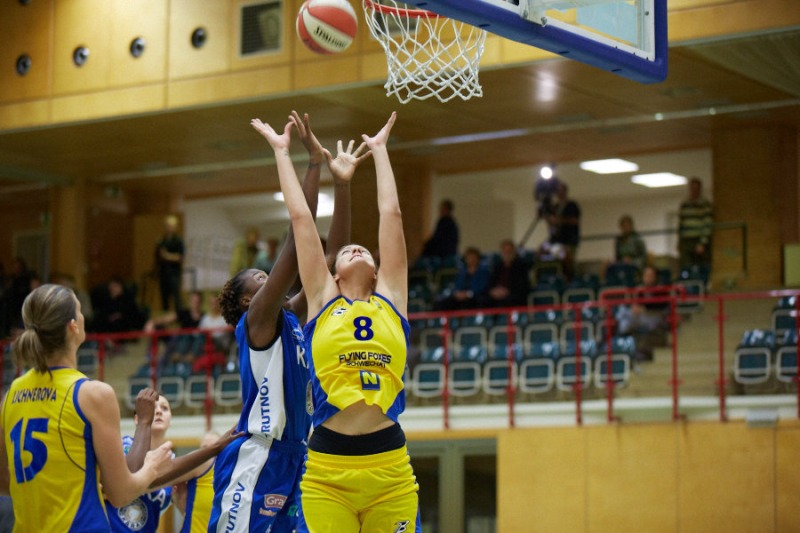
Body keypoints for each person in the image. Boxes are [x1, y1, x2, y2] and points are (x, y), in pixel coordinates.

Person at [254, 110, 421, 532]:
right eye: (347, 251)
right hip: (328, 470)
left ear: (378, 269)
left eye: (363, 250)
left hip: (390, 468)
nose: (356, 249)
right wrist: (281, 152)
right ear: (334, 274)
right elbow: (301, 219)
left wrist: (380, 152)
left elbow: (392, 215)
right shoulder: (323, 299)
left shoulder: (392, 298)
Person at [210, 110, 364, 533]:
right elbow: (299, 242)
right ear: (248, 300)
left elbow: (330, 261)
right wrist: (312, 164)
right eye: (261, 278)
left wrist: (342, 185)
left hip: (296, 455)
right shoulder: (257, 321)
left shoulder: (291, 319)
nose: (271, 278)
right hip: (259, 456)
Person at [0, 284, 173, 532]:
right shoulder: (92, 394)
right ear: (73, 326)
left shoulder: (11, 393)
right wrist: (152, 467)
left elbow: (4, 481)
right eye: (80, 311)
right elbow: (121, 494)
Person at [105, 395, 239, 533]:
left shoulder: (174, 464)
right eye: (152, 408)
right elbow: (125, 483)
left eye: (164, 408)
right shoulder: (122, 446)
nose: (158, 411)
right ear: (137, 418)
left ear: (170, 421)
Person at [616, 265, 670, 362]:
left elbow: (662, 305)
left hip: (654, 316)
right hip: (640, 316)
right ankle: (618, 339)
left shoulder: (661, 289)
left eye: (650, 275)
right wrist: (635, 307)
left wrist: (644, 308)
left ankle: (624, 338)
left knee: (629, 320)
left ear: (655, 277)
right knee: (623, 312)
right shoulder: (639, 289)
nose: (648, 278)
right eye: (646, 275)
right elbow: (635, 303)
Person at [172, 431, 221, 533]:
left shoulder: (227, 475)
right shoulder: (198, 467)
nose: (208, 453)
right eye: (204, 448)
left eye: (213, 448)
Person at [435, 246, 491, 311]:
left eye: (473, 257)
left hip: (475, 297)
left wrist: (468, 294)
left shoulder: (483, 272)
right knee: (443, 303)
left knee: (471, 303)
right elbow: (457, 285)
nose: (471, 259)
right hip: (461, 296)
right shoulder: (462, 272)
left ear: (478, 258)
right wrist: (457, 293)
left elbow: (483, 288)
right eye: (469, 257)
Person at [546, 181, 581, 281]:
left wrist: (559, 220)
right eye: (557, 191)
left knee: (568, 260)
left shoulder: (572, 205)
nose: (558, 193)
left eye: (560, 190)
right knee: (556, 257)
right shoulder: (555, 207)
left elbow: (575, 220)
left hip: (569, 241)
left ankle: (571, 279)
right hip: (557, 242)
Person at [678, 177, 713, 272]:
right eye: (692, 188)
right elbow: (681, 223)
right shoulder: (685, 204)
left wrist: (702, 242)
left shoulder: (704, 204)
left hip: (697, 239)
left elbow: (707, 224)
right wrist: (679, 241)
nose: (693, 191)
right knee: (685, 266)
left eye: (696, 188)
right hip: (686, 239)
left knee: (701, 266)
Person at [485, 239, 531, 308]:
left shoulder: (521, 266)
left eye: (509, 251)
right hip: (496, 294)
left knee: (510, 300)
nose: (507, 254)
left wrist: (507, 291)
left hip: (513, 294)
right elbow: (490, 282)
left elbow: (523, 285)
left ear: (513, 251)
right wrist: (492, 291)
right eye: (505, 251)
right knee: (483, 300)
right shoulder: (497, 266)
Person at [156, 215, 185, 313]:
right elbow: (159, 255)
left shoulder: (178, 241)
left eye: (172, 226)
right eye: (168, 225)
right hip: (163, 272)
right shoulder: (162, 240)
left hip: (174, 273)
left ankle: (179, 315)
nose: (170, 228)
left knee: (176, 296)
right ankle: (165, 316)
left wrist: (167, 256)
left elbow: (180, 257)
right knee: (164, 296)